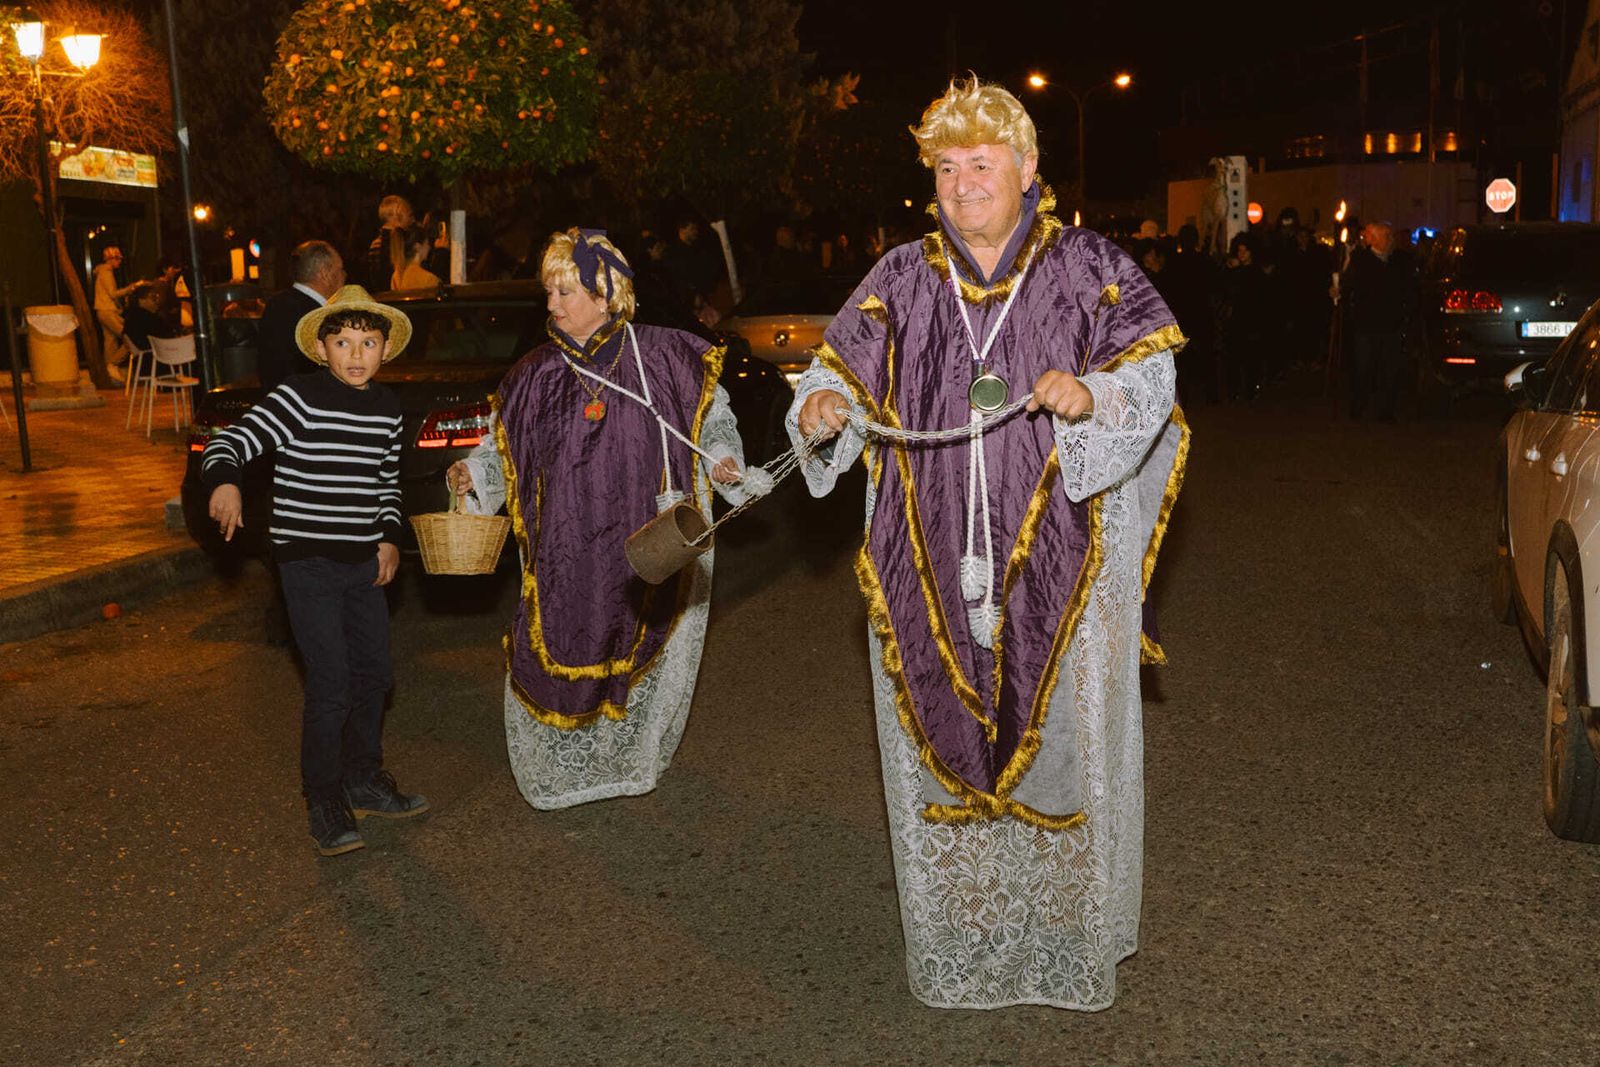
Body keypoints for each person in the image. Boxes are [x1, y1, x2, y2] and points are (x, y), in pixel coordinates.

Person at [792, 76, 1187, 1012]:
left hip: (1065, 549)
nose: (964, 182)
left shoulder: (1092, 265)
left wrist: (1098, 397)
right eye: (947, 166)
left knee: (1063, 741)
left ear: (1028, 169)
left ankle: (1065, 929)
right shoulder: (898, 277)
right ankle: (968, 923)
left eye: (983, 162)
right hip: (922, 554)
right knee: (945, 731)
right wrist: (822, 404)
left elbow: (1155, 370)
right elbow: (832, 367)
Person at [445, 228, 753, 810]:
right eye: (549, 294)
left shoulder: (666, 353)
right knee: (565, 636)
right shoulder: (531, 374)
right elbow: (498, 449)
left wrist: (725, 460)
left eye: (566, 292)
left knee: (635, 638)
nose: (553, 306)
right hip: (565, 540)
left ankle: (631, 762)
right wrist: (474, 474)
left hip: (644, 539)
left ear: (608, 292)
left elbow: (712, 424)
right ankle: (558, 776)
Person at [202, 284, 426, 857]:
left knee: (374, 674)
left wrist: (389, 538)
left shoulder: (387, 409)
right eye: (343, 341)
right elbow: (229, 443)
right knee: (331, 682)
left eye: (368, 343)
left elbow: (385, 484)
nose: (356, 354)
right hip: (306, 562)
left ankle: (363, 778)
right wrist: (225, 481)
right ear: (322, 347)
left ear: (384, 350)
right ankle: (323, 799)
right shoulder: (297, 398)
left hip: (361, 561)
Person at [1343, 222, 1416, 421]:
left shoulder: (1398, 260)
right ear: (1375, 238)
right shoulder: (1360, 260)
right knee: (1363, 368)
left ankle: (1385, 410)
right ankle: (1359, 405)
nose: (1391, 239)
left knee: (1389, 368)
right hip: (1366, 324)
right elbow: (1348, 284)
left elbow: (1407, 288)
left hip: (1390, 324)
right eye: (1386, 236)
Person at [257, 240, 346, 390]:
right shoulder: (318, 316)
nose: (344, 276)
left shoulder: (276, 304)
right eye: (340, 270)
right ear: (325, 274)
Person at [92, 245, 137, 366]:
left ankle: (109, 371)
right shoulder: (106, 273)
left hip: (102, 311)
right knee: (130, 338)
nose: (120, 262)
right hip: (107, 312)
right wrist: (131, 288)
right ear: (111, 259)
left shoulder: (102, 272)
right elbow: (113, 294)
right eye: (118, 259)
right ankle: (112, 364)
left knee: (110, 342)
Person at [120, 282, 170, 354]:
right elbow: (165, 338)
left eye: (157, 297)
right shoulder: (148, 319)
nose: (157, 301)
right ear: (141, 300)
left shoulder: (130, 317)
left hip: (142, 358)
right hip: (158, 357)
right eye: (153, 298)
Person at [390, 225, 442, 291]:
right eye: (427, 243)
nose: (429, 247)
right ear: (418, 247)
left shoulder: (396, 276)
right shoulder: (429, 280)